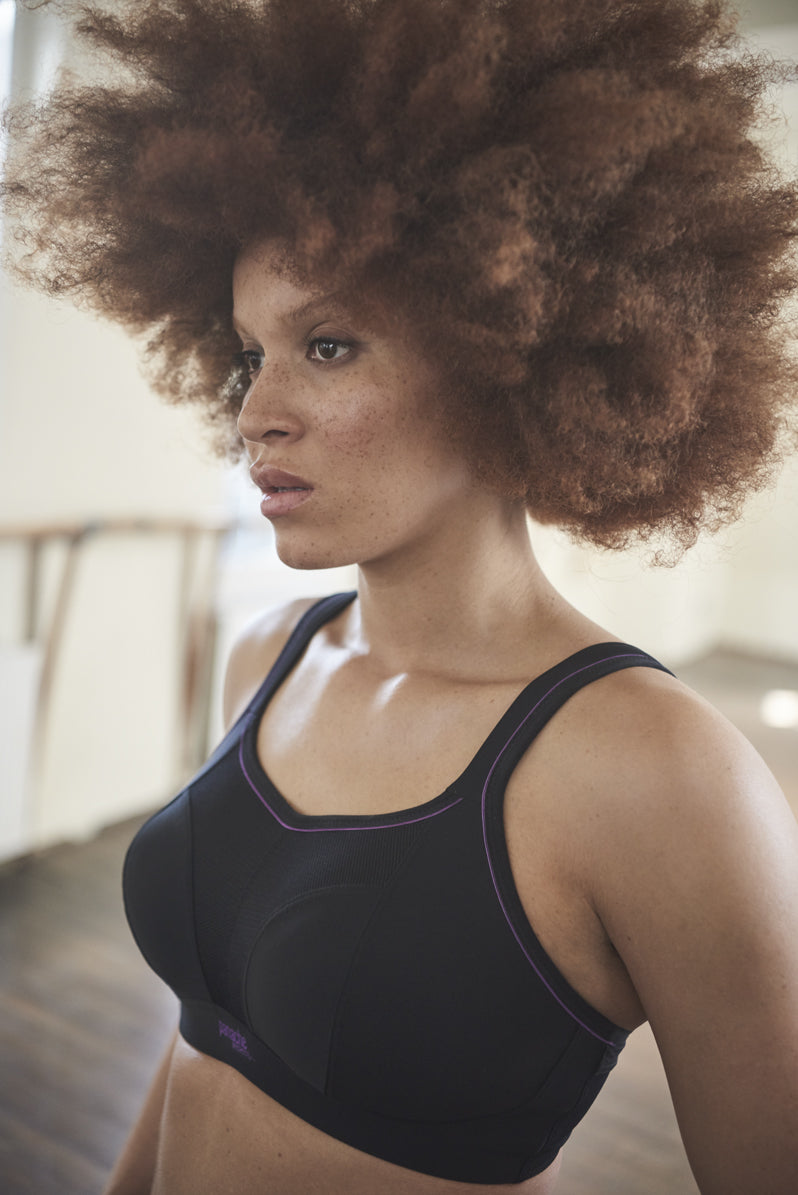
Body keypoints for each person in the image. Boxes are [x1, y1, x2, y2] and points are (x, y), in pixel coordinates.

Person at [3, 1, 798, 1191]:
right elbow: (204, 1040)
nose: (256, 412)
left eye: (328, 346)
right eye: (251, 353)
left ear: (509, 350)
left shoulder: (660, 771)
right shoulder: (270, 655)